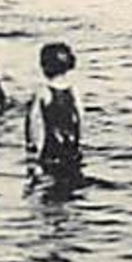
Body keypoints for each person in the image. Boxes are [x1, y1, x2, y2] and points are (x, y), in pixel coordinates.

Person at [25, 42, 82, 176]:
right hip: (71, 148)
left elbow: (35, 122)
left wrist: (33, 149)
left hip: (50, 149)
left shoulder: (42, 92)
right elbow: (79, 118)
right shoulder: (73, 90)